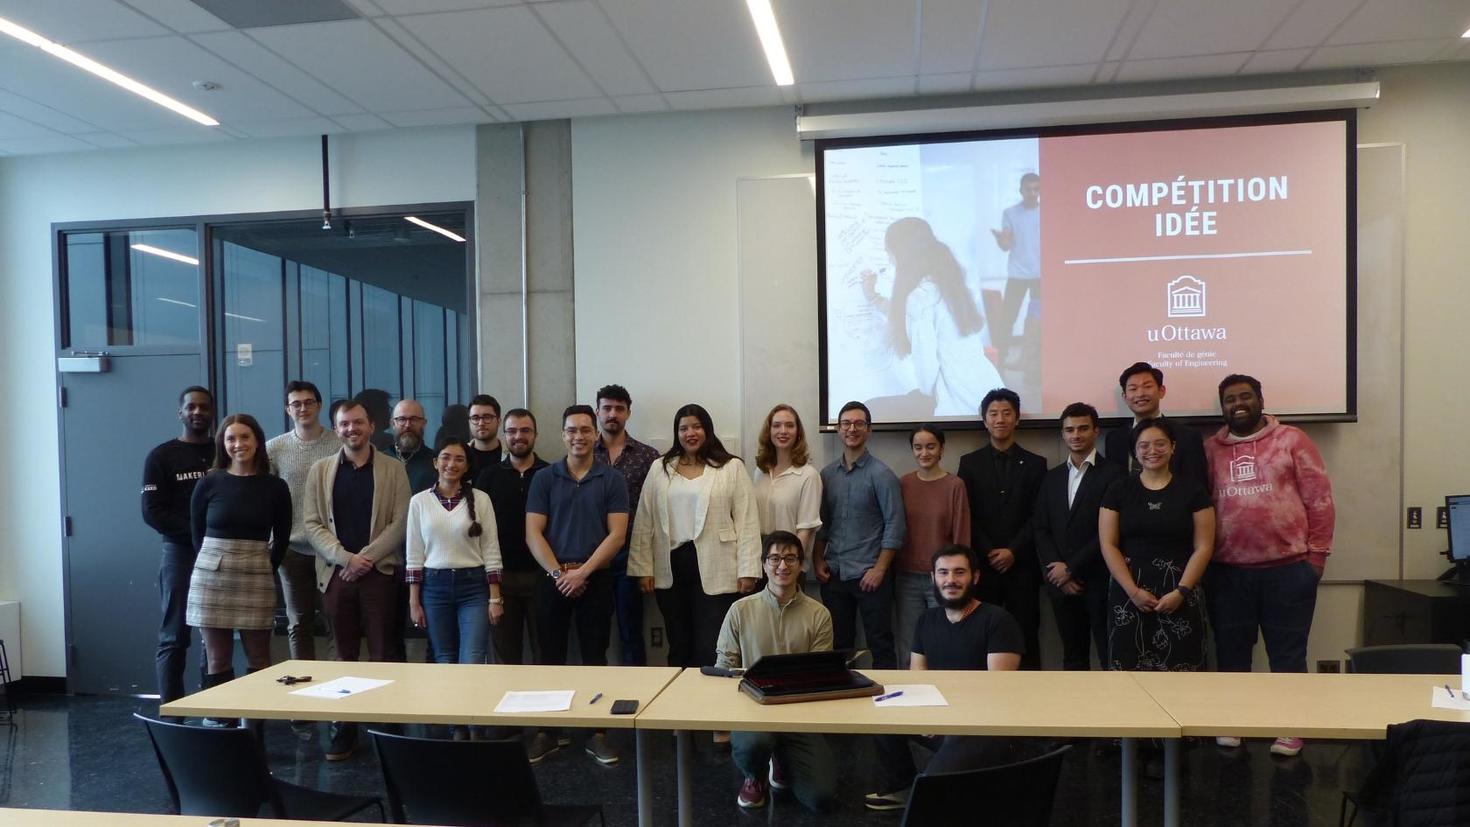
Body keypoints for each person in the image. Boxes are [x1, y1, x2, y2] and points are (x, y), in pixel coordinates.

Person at [1204, 374, 1335, 757]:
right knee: (1231, 652)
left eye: (1245, 396)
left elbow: (1320, 501)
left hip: (1289, 569)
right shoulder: (1210, 448)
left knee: (1288, 655)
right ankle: (1235, 722)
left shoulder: (1292, 440)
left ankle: (1291, 727)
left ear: (1260, 399)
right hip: (1228, 571)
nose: (1238, 404)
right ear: (1223, 406)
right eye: (1230, 399)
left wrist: (1316, 559)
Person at [866, 544, 1024, 811]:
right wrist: (928, 717)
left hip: (985, 730)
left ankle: (928, 790)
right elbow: (918, 680)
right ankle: (903, 785)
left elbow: (998, 696)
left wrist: (949, 722)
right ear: (933, 578)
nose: (950, 580)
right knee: (881, 718)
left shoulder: (998, 620)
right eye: (943, 573)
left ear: (975, 577)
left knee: (931, 797)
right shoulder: (927, 620)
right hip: (941, 722)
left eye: (959, 572)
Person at [303, 399, 412, 761]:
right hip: (337, 575)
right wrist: (346, 559)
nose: (352, 429)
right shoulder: (320, 471)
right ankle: (343, 728)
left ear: (372, 426)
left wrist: (365, 560)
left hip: (379, 574)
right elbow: (312, 524)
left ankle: (386, 728)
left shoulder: (394, 469)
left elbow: (401, 522)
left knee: (384, 652)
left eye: (358, 423)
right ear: (336, 430)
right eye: (345, 424)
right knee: (342, 655)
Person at [526, 404, 629, 766]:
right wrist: (559, 575)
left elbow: (617, 535)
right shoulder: (545, 478)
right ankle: (549, 732)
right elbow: (533, 532)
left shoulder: (611, 479)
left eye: (586, 430)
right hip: (552, 579)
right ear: (562, 434)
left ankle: (595, 732)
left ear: (595, 433)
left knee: (594, 657)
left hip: (595, 579)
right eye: (572, 430)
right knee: (549, 657)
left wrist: (582, 573)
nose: (579, 436)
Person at [630, 404, 761, 670]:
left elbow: (747, 521)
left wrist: (749, 569)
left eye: (696, 426)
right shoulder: (660, 468)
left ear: (707, 430)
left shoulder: (731, 467)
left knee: (709, 643)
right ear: (676, 433)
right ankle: (677, 704)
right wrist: (642, 568)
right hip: (672, 565)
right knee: (678, 642)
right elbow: (645, 520)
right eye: (683, 428)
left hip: (718, 565)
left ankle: (708, 703)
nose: (690, 433)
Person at [717, 531, 837, 812]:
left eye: (790, 558)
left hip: (800, 717)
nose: (782, 565)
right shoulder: (740, 610)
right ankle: (754, 776)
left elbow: (821, 675)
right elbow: (725, 666)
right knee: (753, 743)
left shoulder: (819, 614)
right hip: (753, 713)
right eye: (774, 558)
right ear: (763, 565)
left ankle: (781, 758)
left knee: (820, 798)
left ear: (800, 564)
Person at [186, 414, 291, 699]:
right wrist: (215, 561)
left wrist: (264, 567)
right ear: (223, 443)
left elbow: (282, 537)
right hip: (212, 575)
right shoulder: (209, 483)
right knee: (217, 658)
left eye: (245, 437)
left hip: (255, 574)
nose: (238, 444)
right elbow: (197, 535)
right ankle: (222, 723)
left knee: (259, 660)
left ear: (257, 441)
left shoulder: (275, 487)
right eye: (231, 438)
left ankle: (254, 725)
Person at [1099, 417, 1214, 673]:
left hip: (1181, 591)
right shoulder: (1118, 490)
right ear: (1134, 451)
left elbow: (1204, 546)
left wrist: (1181, 591)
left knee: (1184, 672)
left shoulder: (1193, 490)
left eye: (1160, 444)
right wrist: (1132, 591)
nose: (1152, 451)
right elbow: (1108, 544)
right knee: (1128, 674)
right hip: (1129, 592)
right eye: (1144, 446)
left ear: (1173, 447)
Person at [859, 217, 1004, 416]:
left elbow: (926, 370)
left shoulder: (919, 298)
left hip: (956, 398)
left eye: (889, 252)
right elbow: (907, 313)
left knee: (870, 408)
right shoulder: (946, 283)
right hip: (986, 388)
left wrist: (926, 394)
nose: (889, 260)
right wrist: (874, 297)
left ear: (903, 254)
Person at [264, 381, 341, 716]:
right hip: (292, 549)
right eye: (296, 404)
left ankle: (339, 697)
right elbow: (264, 497)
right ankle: (305, 701)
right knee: (299, 624)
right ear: (288, 410)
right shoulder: (274, 449)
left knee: (336, 621)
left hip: (331, 548)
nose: (303, 408)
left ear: (319, 406)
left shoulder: (338, 443)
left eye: (309, 402)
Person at [956, 388, 1046, 669]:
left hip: (1022, 566)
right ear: (984, 420)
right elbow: (966, 513)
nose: (1000, 419)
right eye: (993, 414)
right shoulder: (969, 463)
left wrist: (1012, 550)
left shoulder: (1036, 464)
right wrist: (989, 549)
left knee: (1026, 633)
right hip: (983, 565)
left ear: (1017, 419)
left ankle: (1031, 694)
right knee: (982, 633)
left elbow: (1038, 516)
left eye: (1007, 413)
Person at [813, 401, 905, 669]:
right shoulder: (827, 475)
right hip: (835, 575)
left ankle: (888, 702)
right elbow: (822, 524)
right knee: (838, 644)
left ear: (869, 430)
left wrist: (880, 569)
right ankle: (843, 700)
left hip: (870, 576)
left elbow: (895, 525)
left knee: (881, 642)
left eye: (858, 424)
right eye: (846, 424)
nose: (851, 429)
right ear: (838, 430)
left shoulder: (882, 474)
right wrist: (818, 560)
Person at [1033, 402, 1125, 670]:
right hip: (1060, 584)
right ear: (1062, 434)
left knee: (1109, 653)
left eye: (1083, 428)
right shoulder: (1051, 478)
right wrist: (1058, 573)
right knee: (1072, 657)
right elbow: (1041, 527)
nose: (1076, 435)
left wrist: (1072, 569)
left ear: (1096, 431)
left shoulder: (1114, 474)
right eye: (1070, 429)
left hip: (1100, 579)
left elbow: (1111, 531)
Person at [141, 386, 215, 713]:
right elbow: (152, 512)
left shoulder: (223, 452)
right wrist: (196, 533)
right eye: (191, 407)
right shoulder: (161, 456)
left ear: (212, 412)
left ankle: (214, 713)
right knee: (174, 636)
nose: (197, 412)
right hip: (180, 553)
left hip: (219, 553)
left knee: (215, 638)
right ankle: (173, 714)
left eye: (204, 407)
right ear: (180, 413)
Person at [406, 438, 502, 673]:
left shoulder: (481, 499)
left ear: (467, 466)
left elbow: (491, 550)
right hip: (434, 587)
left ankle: (471, 708)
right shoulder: (419, 502)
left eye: (459, 459)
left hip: (473, 587)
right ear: (435, 462)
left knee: (473, 658)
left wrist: (495, 599)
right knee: (444, 659)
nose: (452, 464)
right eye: (446, 457)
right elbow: (414, 554)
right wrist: (413, 600)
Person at [592, 384, 661, 666]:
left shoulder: (648, 456)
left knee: (631, 632)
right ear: (597, 411)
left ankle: (637, 694)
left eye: (619, 409)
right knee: (594, 633)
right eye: (607, 408)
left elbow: (655, 513)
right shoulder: (584, 453)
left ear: (628, 413)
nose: (612, 414)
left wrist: (647, 565)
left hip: (631, 557)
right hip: (591, 557)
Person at [476, 408, 549, 668]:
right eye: (512, 431)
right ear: (504, 435)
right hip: (501, 580)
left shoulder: (550, 475)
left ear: (535, 435)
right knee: (505, 658)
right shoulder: (488, 477)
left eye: (525, 430)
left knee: (546, 653)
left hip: (543, 577)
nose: (519, 436)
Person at [894, 423, 970, 668]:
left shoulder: (954, 485)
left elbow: (961, 537)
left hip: (943, 579)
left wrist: (957, 575)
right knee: (909, 643)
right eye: (918, 447)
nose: (924, 453)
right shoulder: (903, 484)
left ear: (941, 449)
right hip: (907, 577)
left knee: (946, 640)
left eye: (930, 446)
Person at [1103, 362, 1209, 492]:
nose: (1140, 394)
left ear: (1161, 391)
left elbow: (1197, 487)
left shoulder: (1188, 436)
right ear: (1125, 397)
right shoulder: (1114, 439)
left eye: (1147, 386)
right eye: (1133, 389)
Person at [751, 404, 822, 565]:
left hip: (788, 563)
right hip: (760, 559)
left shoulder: (808, 475)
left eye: (790, 425)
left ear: (798, 433)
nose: (783, 431)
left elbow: (806, 529)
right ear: (769, 432)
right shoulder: (760, 471)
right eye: (776, 425)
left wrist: (789, 564)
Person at [990, 172, 1041, 365]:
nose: (1032, 192)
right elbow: (1005, 246)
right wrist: (1002, 240)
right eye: (1028, 189)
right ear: (1021, 190)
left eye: (1036, 189)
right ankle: (1001, 358)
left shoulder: (1048, 212)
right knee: (1008, 318)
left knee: (1037, 322)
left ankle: (1033, 361)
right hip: (1017, 275)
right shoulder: (1010, 213)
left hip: (1041, 277)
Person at [388, 398, 436, 492]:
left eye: (414, 419)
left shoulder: (436, 462)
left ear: (423, 423)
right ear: (393, 423)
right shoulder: (380, 461)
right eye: (402, 419)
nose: (408, 425)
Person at [465, 394, 503, 481]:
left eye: (487, 417)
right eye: (475, 418)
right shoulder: (461, 454)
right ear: (469, 422)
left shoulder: (511, 456)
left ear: (498, 421)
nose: (481, 423)